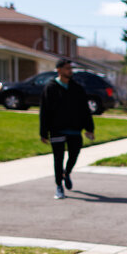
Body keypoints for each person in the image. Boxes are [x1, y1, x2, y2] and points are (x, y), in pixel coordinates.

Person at [39, 58, 94, 200]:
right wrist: (43, 132)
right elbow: (44, 111)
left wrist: (89, 128)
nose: (70, 71)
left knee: (74, 154)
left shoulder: (77, 88)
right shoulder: (50, 88)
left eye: (71, 68)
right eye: (67, 68)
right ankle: (59, 186)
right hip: (56, 128)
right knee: (58, 158)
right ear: (59, 70)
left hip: (75, 129)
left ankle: (66, 172)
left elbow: (85, 110)